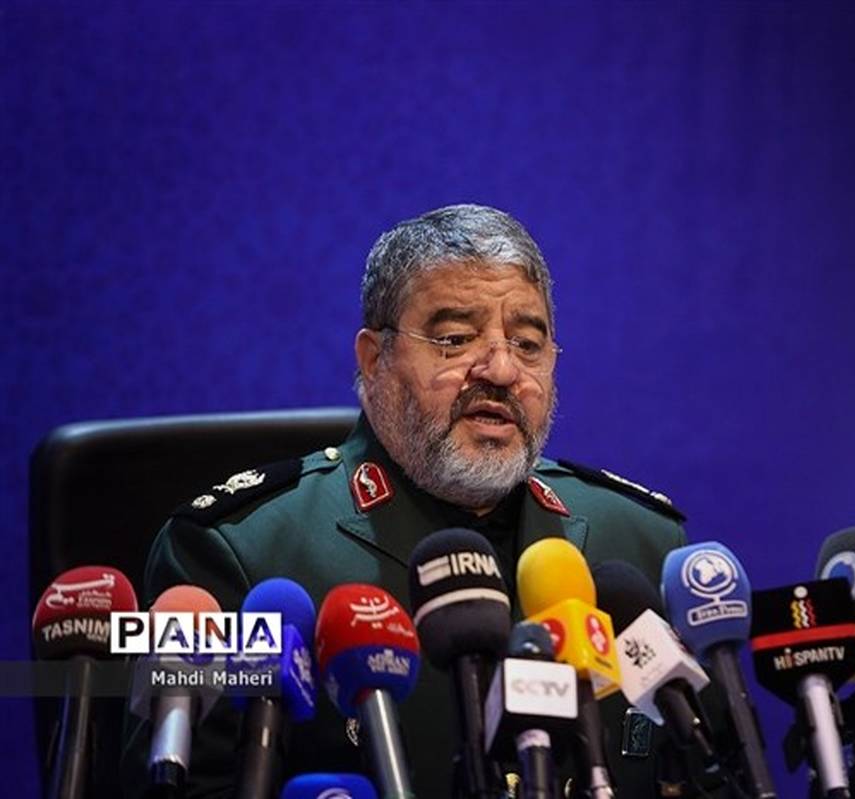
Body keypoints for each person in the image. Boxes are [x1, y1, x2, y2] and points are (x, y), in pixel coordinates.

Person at [120, 204, 690, 797]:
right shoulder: (232, 554)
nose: (501, 370)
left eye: (527, 344)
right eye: (454, 340)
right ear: (375, 360)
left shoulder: (644, 546)